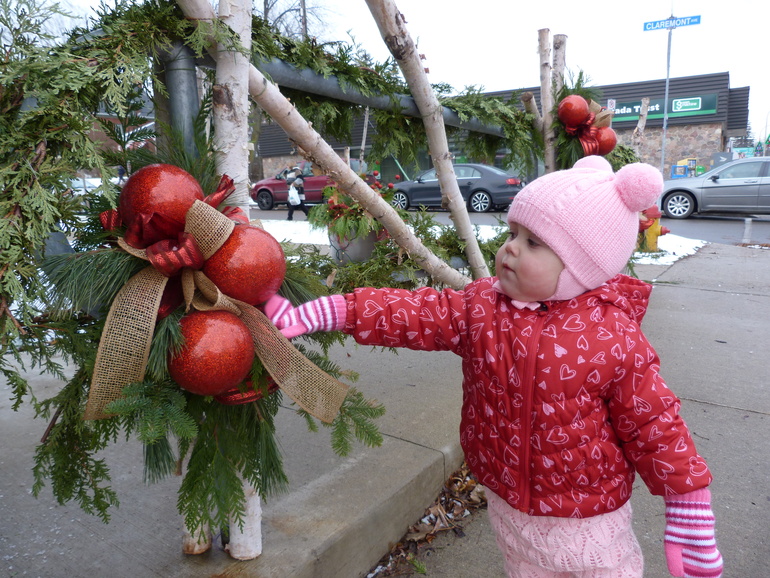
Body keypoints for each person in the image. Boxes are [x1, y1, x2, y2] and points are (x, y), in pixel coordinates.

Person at [264, 156, 723, 578]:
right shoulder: (483, 307)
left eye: (534, 243)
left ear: (582, 267)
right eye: (512, 234)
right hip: (508, 503)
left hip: (585, 517)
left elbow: (655, 423)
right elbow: (411, 313)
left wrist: (688, 503)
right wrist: (328, 312)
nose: (510, 250)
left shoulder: (612, 337)